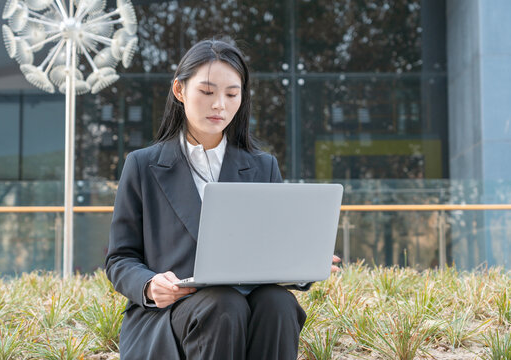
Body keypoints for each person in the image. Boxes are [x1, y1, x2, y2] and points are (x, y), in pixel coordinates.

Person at [105, 38, 341, 360]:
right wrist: (149, 285)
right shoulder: (143, 166)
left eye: (232, 94)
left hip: (246, 305)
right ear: (179, 91)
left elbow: (272, 248)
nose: (220, 105)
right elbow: (120, 258)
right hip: (170, 315)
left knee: (279, 302)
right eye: (207, 92)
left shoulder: (262, 166)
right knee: (223, 303)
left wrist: (302, 261)